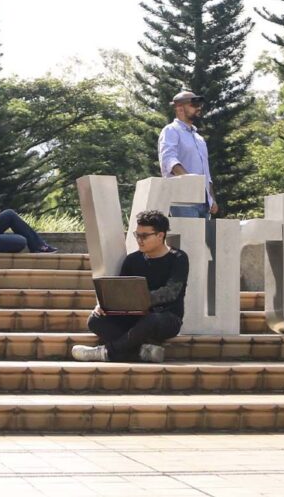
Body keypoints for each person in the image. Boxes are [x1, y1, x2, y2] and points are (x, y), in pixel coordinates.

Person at [71, 210, 187, 363]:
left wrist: (139, 301)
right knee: (95, 320)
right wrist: (104, 305)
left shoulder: (178, 258)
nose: (139, 240)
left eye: (144, 236)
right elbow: (120, 289)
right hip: (134, 316)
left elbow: (171, 292)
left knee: (151, 320)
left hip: (166, 318)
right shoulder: (132, 260)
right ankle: (141, 352)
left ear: (160, 235)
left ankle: (105, 353)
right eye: (137, 235)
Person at [157, 89, 218, 219]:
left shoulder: (199, 138)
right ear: (179, 108)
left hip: (204, 202)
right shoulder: (171, 130)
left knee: (203, 240)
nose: (198, 108)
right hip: (182, 200)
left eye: (199, 105)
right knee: (188, 239)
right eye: (194, 105)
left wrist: (212, 198)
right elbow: (168, 159)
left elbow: (206, 173)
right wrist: (191, 181)